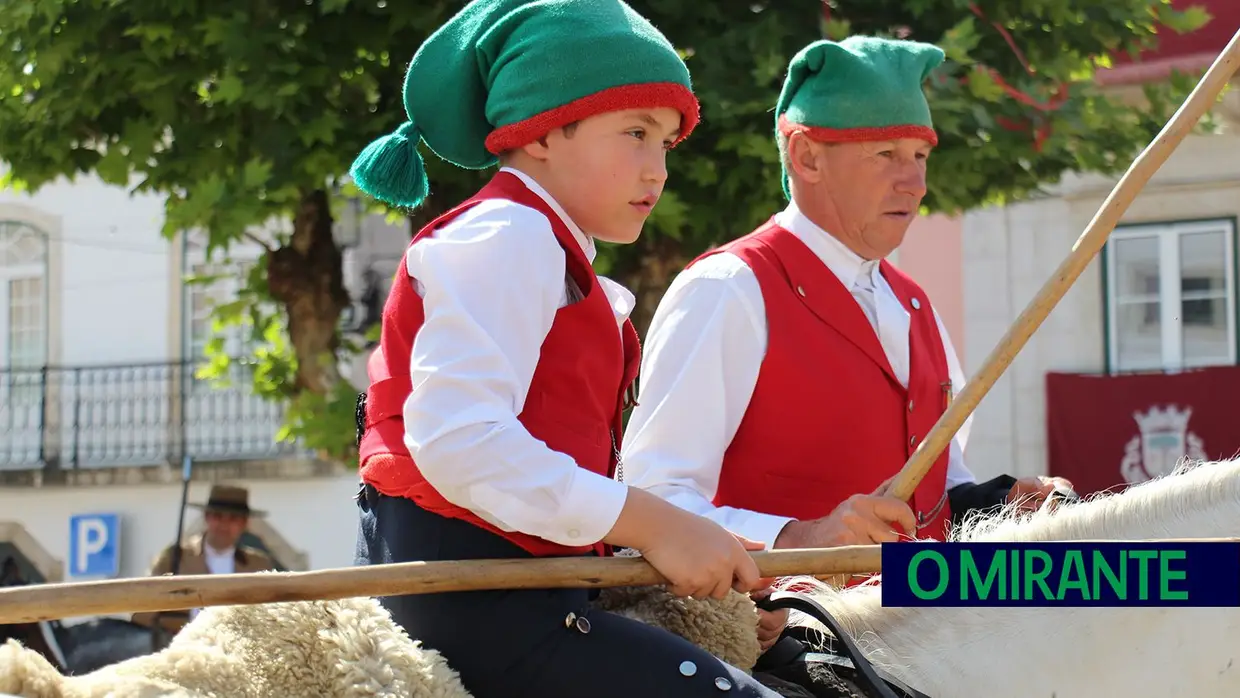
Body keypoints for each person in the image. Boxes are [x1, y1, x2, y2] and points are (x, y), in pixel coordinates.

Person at [349, 2, 785, 696]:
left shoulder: (545, 251)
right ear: (542, 133)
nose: (658, 170)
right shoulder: (507, 235)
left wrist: (682, 543)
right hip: (473, 606)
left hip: (524, 596)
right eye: (635, 132)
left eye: (666, 144)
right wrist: (652, 521)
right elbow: (462, 440)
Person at [619, 35, 1074, 652]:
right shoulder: (729, 288)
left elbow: (941, 494)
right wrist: (796, 537)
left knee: (1170, 583)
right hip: (786, 642)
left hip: (932, 627)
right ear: (806, 156)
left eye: (920, 155)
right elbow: (652, 502)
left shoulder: (916, 304)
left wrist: (1006, 504)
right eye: (886, 153)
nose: (913, 182)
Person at [131, 484, 276, 636]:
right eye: (218, 516)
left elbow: (270, 616)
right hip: (181, 647)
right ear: (207, 517)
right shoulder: (176, 557)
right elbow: (143, 609)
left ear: (245, 524)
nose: (224, 525)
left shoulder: (258, 565)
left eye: (233, 519)